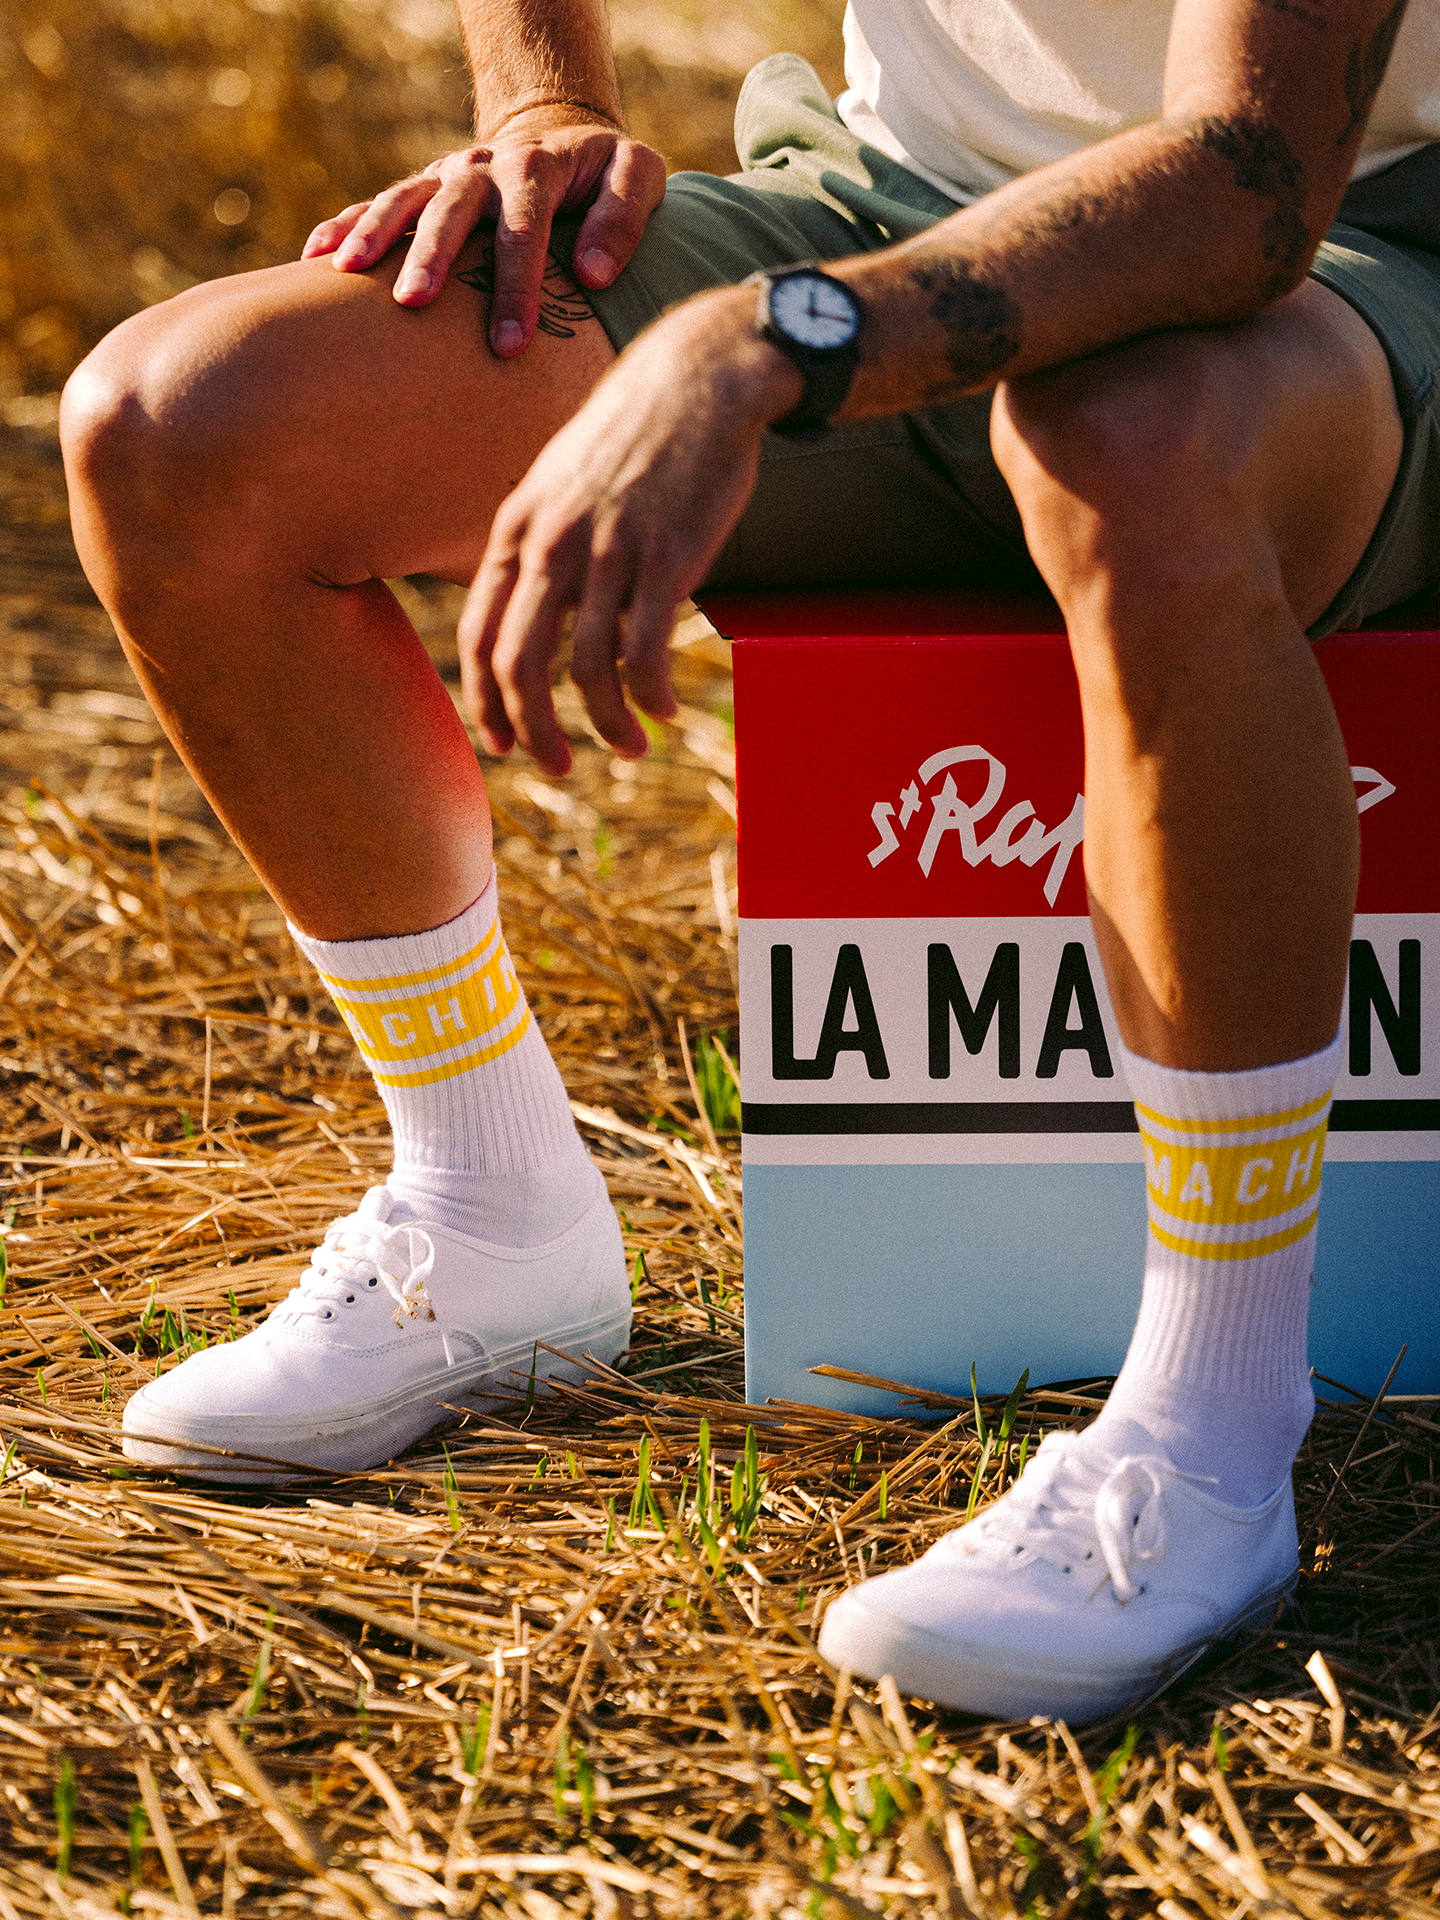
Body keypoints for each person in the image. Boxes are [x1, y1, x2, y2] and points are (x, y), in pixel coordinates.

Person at [59, 0, 1439, 1721]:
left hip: (1342, 268)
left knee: (1126, 439)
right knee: (179, 427)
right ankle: (492, 1206)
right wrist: (544, 94)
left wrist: (759, 349)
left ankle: (1214, 1439)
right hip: (876, 214)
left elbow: (1243, 192)